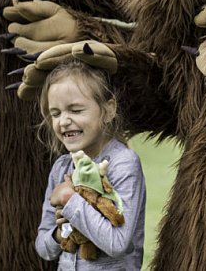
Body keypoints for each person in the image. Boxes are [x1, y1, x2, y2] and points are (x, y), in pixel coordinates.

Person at [35, 60, 146, 270]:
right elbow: (44, 248)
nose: (64, 121)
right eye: (56, 113)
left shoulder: (123, 163)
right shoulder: (61, 168)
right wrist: (63, 233)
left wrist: (70, 200)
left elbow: (117, 243)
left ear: (109, 109)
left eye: (75, 110)